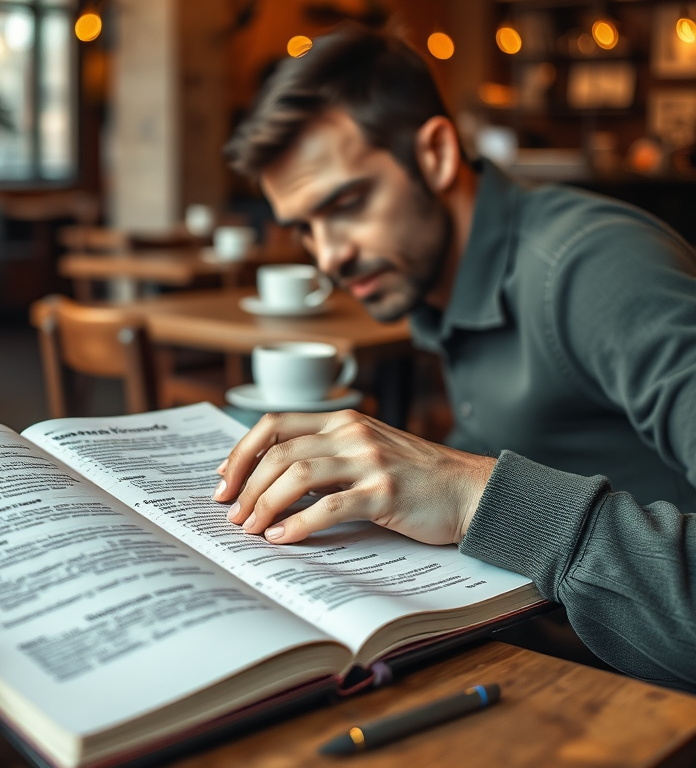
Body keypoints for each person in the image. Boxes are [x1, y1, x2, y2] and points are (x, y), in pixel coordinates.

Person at [214, 25, 696, 691]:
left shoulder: (596, 271)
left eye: (346, 204)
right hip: (531, 665)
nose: (327, 256)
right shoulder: (441, 287)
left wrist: (474, 492)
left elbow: (483, 491)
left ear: (436, 154)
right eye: (303, 227)